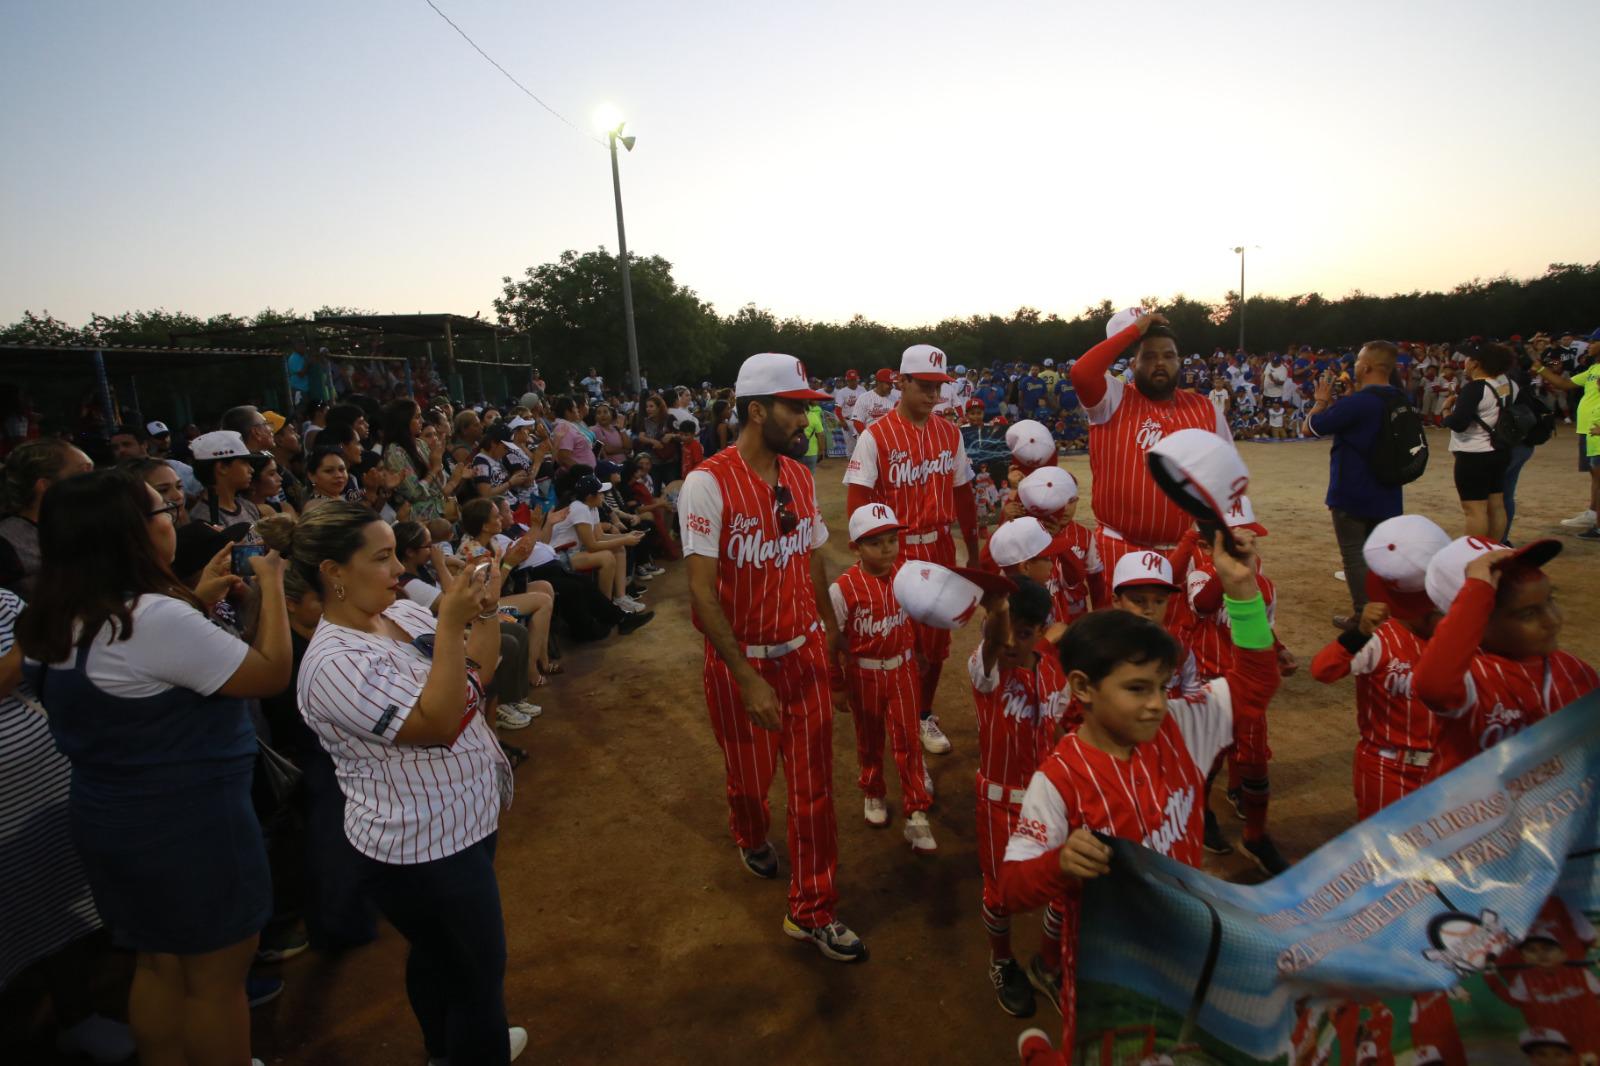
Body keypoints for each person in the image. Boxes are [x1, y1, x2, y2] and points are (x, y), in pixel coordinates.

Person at [19, 469, 293, 1066]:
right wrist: (271, 583)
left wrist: (195, 599)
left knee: (159, 965)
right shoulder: (154, 620)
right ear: (132, 534)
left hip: (110, 818)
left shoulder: (54, 617)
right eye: (161, 509)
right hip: (191, 824)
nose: (173, 514)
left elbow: (134, 670)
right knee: (216, 983)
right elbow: (270, 672)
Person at [996, 529, 1282, 1059]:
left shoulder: (1180, 724)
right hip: (1109, 968)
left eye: (1159, 686)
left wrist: (1241, 589)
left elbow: (1256, 686)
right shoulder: (1058, 779)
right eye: (1136, 689)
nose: (1156, 704)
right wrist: (1059, 864)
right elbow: (1012, 889)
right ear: (1082, 688)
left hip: (1186, 934)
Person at [263, 503, 528, 1064]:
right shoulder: (335, 662)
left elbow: (477, 676)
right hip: (420, 845)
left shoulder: (401, 613)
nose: (399, 570)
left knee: (439, 958)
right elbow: (437, 724)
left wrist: (481, 614)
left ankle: (443, 1050)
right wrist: (455, 623)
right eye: (382, 558)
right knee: (478, 975)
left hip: (459, 818)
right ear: (334, 572)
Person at [678, 353, 864, 962]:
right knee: (751, 783)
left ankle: (812, 908)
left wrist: (832, 630)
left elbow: (812, 555)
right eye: (796, 407)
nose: (806, 419)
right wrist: (744, 674)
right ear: (757, 411)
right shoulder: (708, 482)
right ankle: (749, 830)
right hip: (743, 667)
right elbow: (701, 591)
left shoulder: (801, 476)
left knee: (813, 788)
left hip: (803, 652)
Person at [845, 345, 981, 758]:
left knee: (936, 644)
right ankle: (896, 719)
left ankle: (922, 713)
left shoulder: (949, 432)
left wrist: (973, 551)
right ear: (901, 383)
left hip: (939, 545)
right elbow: (858, 499)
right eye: (924, 386)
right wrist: (868, 556)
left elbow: (962, 493)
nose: (934, 395)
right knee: (899, 642)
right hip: (895, 549)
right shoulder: (876, 435)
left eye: (939, 387)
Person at [966, 577, 1069, 1020]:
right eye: (1004, 627)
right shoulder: (985, 668)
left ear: (1039, 631)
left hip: (1049, 801)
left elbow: (1061, 727)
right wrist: (997, 616)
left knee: (1066, 885)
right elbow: (993, 644)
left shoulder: (1052, 669)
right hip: (999, 802)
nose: (1012, 640)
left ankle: (1048, 962)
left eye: (1023, 631)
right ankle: (1002, 961)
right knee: (1001, 893)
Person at [1413, 537, 1597, 780]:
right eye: (1527, 614)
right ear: (1477, 621)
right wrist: (1478, 590)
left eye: (1550, 600)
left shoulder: (1575, 671)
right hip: (1478, 815)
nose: (1552, 620)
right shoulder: (1472, 680)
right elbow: (1433, 686)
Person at [1067, 311, 1230, 576]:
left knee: (1182, 619)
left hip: (1185, 550)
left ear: (1179, 362)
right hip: (1119, 547)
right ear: (1133, 364)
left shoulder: (1206, 409)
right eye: (1149, 356)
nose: (1160, 363)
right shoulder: (1113, 399)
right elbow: (1082, 373)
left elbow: (1224, 477)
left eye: (1168, 356)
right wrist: (1134, 330)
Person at [1310, 515, 1450, 819]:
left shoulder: (1463, 638)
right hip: (1389, 770)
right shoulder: (1378, 638)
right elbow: (1323, 670)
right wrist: (1358, 632)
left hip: (1449, 767)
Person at [828, 504, 933, 844]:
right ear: (855, 548)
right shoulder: (843, 588)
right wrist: (837, 684)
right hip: (864, 673)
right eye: (875, 543)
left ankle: (916, 808)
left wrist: (916, 651)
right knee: (869, 737)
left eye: (891, 539)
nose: (887, 548)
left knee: (908, 740)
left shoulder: (906, 573)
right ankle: (873, 790)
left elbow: (913, 615)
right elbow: (831, 640)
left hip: (902, 669)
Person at [1301, 340, 1411, 629]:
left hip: (1353, 491)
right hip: (1388, 490)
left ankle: (1364, 615)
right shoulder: (1400, 397)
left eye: (1358, 361)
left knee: (1354, 555)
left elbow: (1310, 428)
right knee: (1382, 555)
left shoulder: (1360, 402)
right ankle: (1388, 611)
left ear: (1368, 366)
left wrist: (1321, 401)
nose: (1354, 366)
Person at [1440, 342, 1518, 541]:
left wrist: (1446, 411)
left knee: (1474, 509)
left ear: (1475, 363)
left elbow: (1458, 423)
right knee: (1497, 505)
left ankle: (1474, 554)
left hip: (1473, 454)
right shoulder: (1509, 385)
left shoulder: (1474, 388)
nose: (1464, 362)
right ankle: (1494, 548)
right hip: (1499, 451)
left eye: (1468, 359)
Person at [0, 438, 94, 599]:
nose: (96, 482)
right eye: (84, 473)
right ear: (45, 485)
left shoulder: (85, 527)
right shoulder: (7, 544)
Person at [548, 471, 647, 614]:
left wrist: (626, 537)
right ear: (590, 496)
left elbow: (599, 536)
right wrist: (625, 539)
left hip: (572, 552)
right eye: (600, 493)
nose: (603, 495)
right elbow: (592, 545)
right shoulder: (579, 508)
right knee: (606, 557)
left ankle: (620, 598)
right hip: (559, 556)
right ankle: (606, 609)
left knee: (619, 547)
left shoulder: (591, 506)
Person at [1533, 353, 1600, 540]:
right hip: (1589, 429)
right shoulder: (1594, 368)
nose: (1589, 346)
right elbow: (1565, 384)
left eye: (1594, 342)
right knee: (1595, 475)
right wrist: (1539, 368)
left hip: (1597, 429)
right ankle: (1594, 514)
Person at [381, 399, 448, 522]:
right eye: (417, 417)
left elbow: (439, 486)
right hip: (416, 519)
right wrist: (434, 469)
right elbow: (414, 493)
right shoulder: (394, 451)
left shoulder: (420, 444)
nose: (422, 421)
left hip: (438, 511)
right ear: (404, 421)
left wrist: (438, 464)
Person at [190, 430, 270, 530]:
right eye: (245, 462)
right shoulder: (204, 519)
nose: (251, 469)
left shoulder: (248, 506)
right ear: (222, 467)